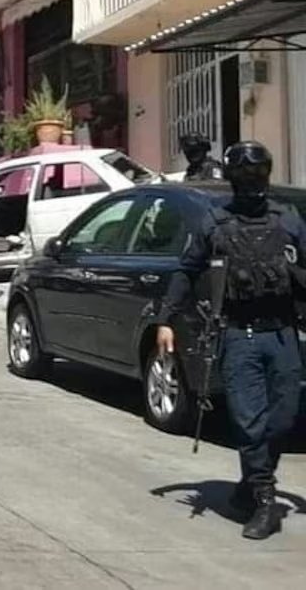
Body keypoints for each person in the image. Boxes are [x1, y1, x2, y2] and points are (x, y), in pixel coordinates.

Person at [155, 140, 304, 540]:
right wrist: (166, 319)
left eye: (257, 173)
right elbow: (187, 270)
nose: (251, 181)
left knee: (283, 418)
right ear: (234, 178)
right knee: (249, 420)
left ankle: (248, 485)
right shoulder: (215, 222)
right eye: (244, 174)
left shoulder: (288, 220)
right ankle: (265, 501)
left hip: (283, 334)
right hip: (240, 336)